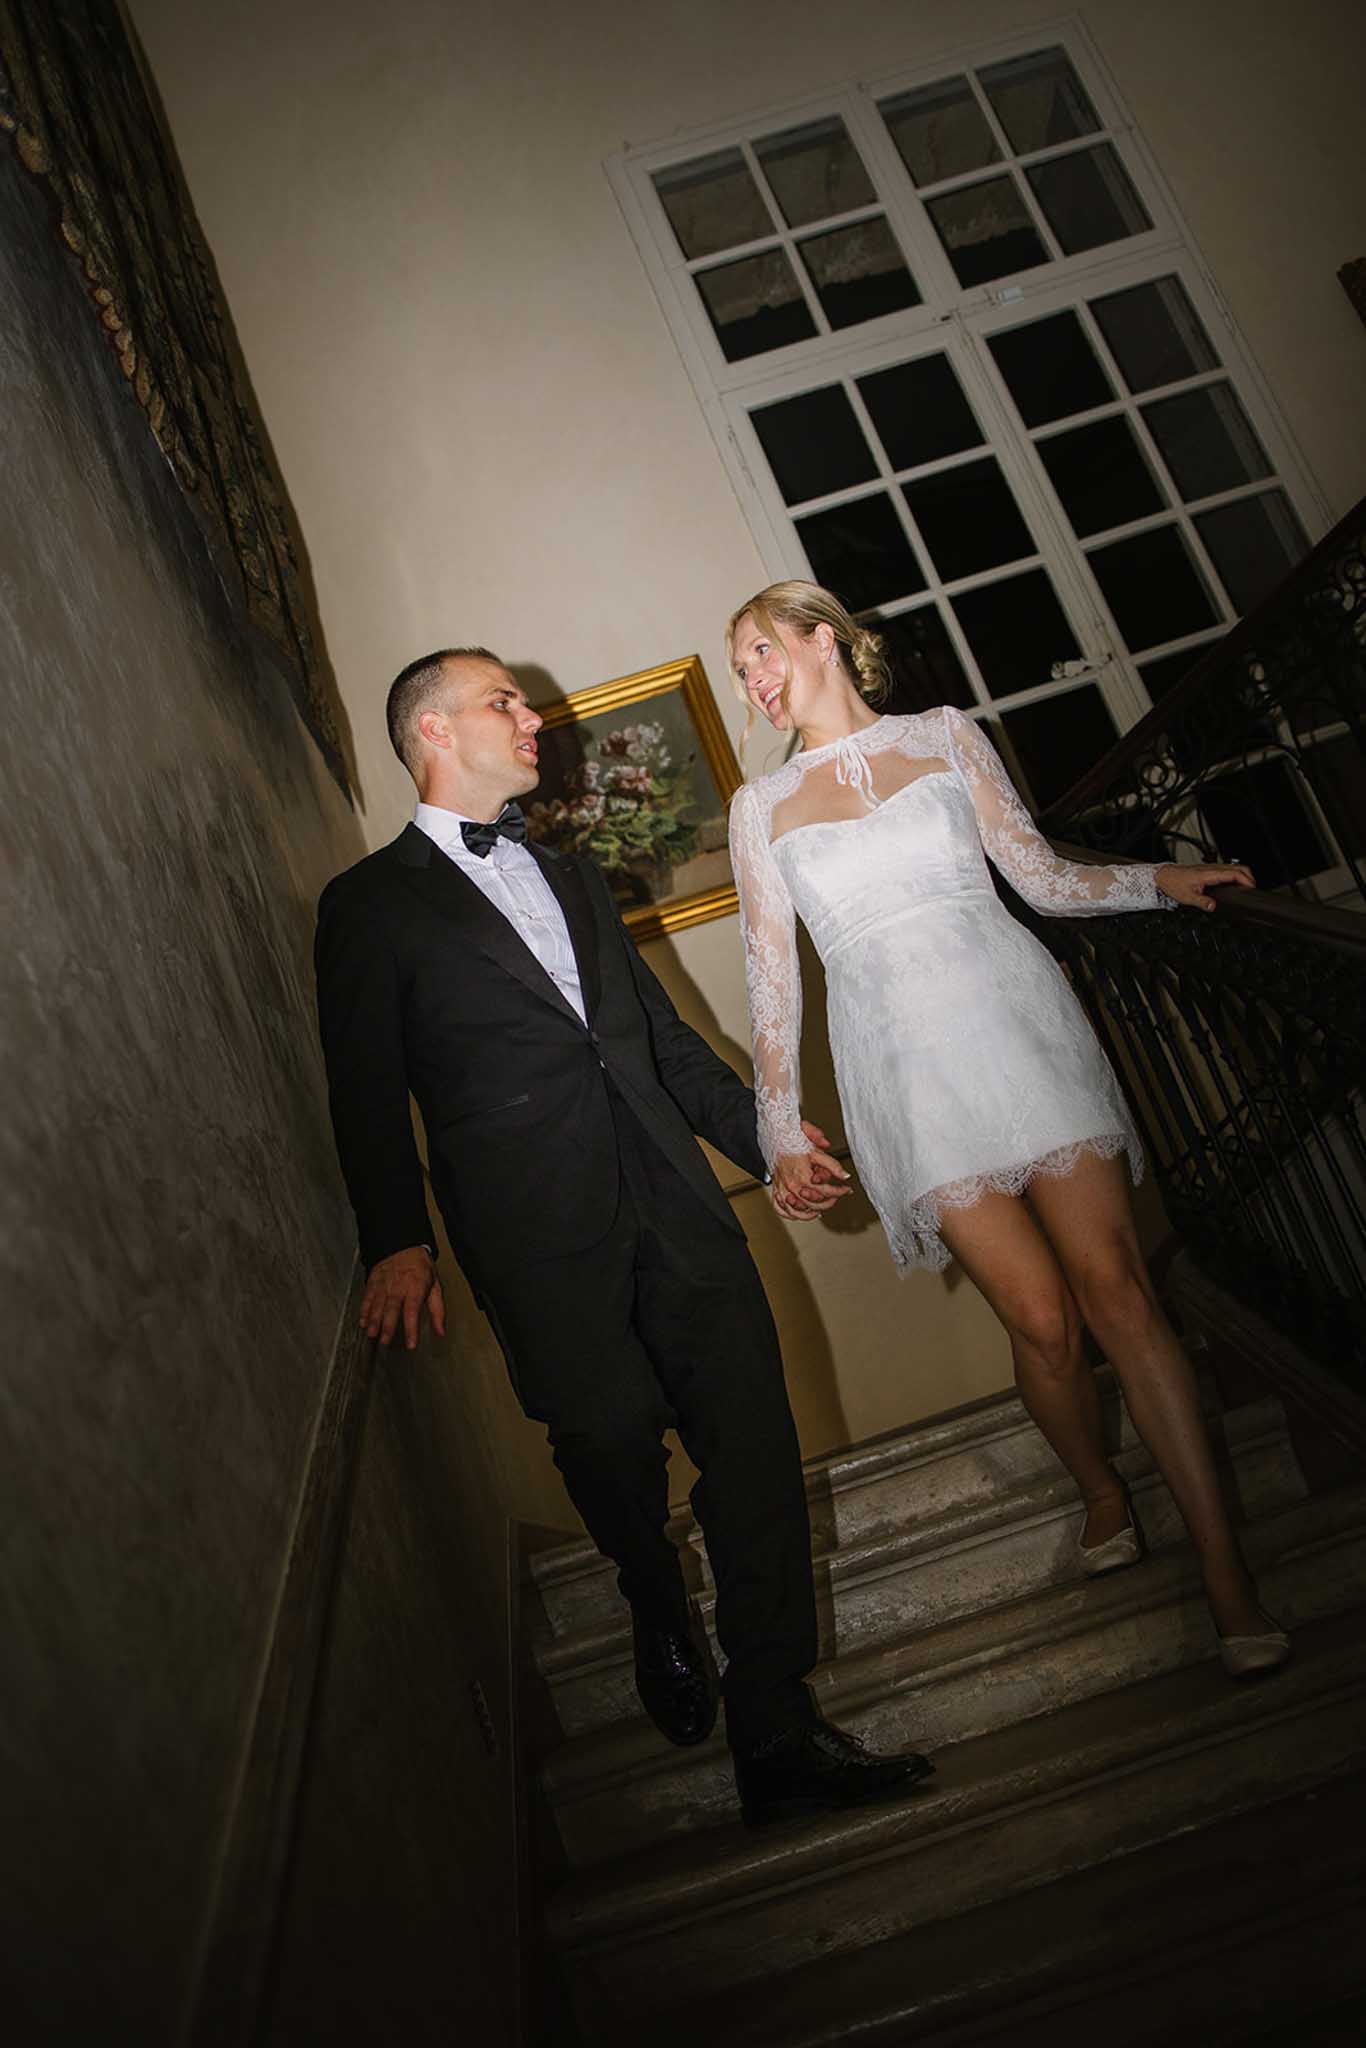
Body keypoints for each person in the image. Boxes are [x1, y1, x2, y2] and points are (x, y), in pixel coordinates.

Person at [314, 644, 935, 1826]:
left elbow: (657, 1044)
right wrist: (396, 1237)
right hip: (533, 1234)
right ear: (433, 731)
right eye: (503, 700)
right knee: (604, 1440)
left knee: (751, 1442)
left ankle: (775, 1717)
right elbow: (363, 1086)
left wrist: (771, 1143)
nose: (530, 715)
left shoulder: (578, 877)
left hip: (676, 1201)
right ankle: (652, 1589)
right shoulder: (368, 905)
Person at [725, 581, 1290, 1680]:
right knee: (1041, 1322)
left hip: (1020, 1026)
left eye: (757, 648)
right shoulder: (762, 807)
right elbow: (770, 986)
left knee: (1117, 1289)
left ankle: (1226, 1574)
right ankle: (1097, 1485)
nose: (749, 674)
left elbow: (1035, 875)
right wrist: (778, 1127)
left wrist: (1158, 879)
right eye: (737, 661)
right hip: (903, 1071)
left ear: (822, 638)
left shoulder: (944, 737)